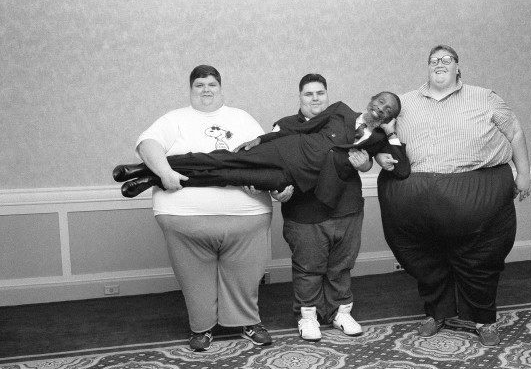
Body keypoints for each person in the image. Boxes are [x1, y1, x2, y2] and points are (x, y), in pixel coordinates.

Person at [376, 45, 531, 346]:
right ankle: (437, 313)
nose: (440, 64)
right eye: (434, 60)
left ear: (458, 67)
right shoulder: (404, 102)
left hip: (477, 193)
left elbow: (514, 132)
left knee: (481, 258)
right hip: (415, 199)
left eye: (446, 60)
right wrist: (381, 156)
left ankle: (484, 319)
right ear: (427, 67)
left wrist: (523, 174)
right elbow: (382, 138)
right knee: (425, 258)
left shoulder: (484, 98)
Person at [133, 65, 283, 351]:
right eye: (199, 84)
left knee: (246, 275)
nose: (206, 89)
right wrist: (164, 171)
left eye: (211, 84)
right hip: (184, 218)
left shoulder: (242, 118)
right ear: (190, 89)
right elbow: (146, 144)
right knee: (194, 278)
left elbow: (265, 157)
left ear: (221, 87)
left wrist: (261, 182)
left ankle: (248, 321)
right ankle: (201, 328)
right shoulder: (174, 119)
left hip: (247, 218)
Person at [114, 93, 410, 210]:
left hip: (296, 178)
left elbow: (402, 170)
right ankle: (145, 168)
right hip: (285, 152)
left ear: (388, 117)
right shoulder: (341, 111)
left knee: (226, 176)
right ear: (371, 100)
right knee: (220, 159)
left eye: (388, 111)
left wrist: (393, 134)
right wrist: (261, 140)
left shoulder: (378, 142)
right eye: (380, 102)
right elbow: (301, 128)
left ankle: (152, 180)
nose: (381, 109)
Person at [272, 74, 391, 342]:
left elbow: (370, 153)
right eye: (309, 94)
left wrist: (365, 165)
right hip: (305, 213)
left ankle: (341, 312)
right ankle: (308, 316)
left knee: (341, 266)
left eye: (320, 93)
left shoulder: (348, 124)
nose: (315, 98)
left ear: (327, 95)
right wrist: (276, 190)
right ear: (299, 97)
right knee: (308, 268)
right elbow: (274, 165)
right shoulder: (286, 126)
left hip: (346, 209)